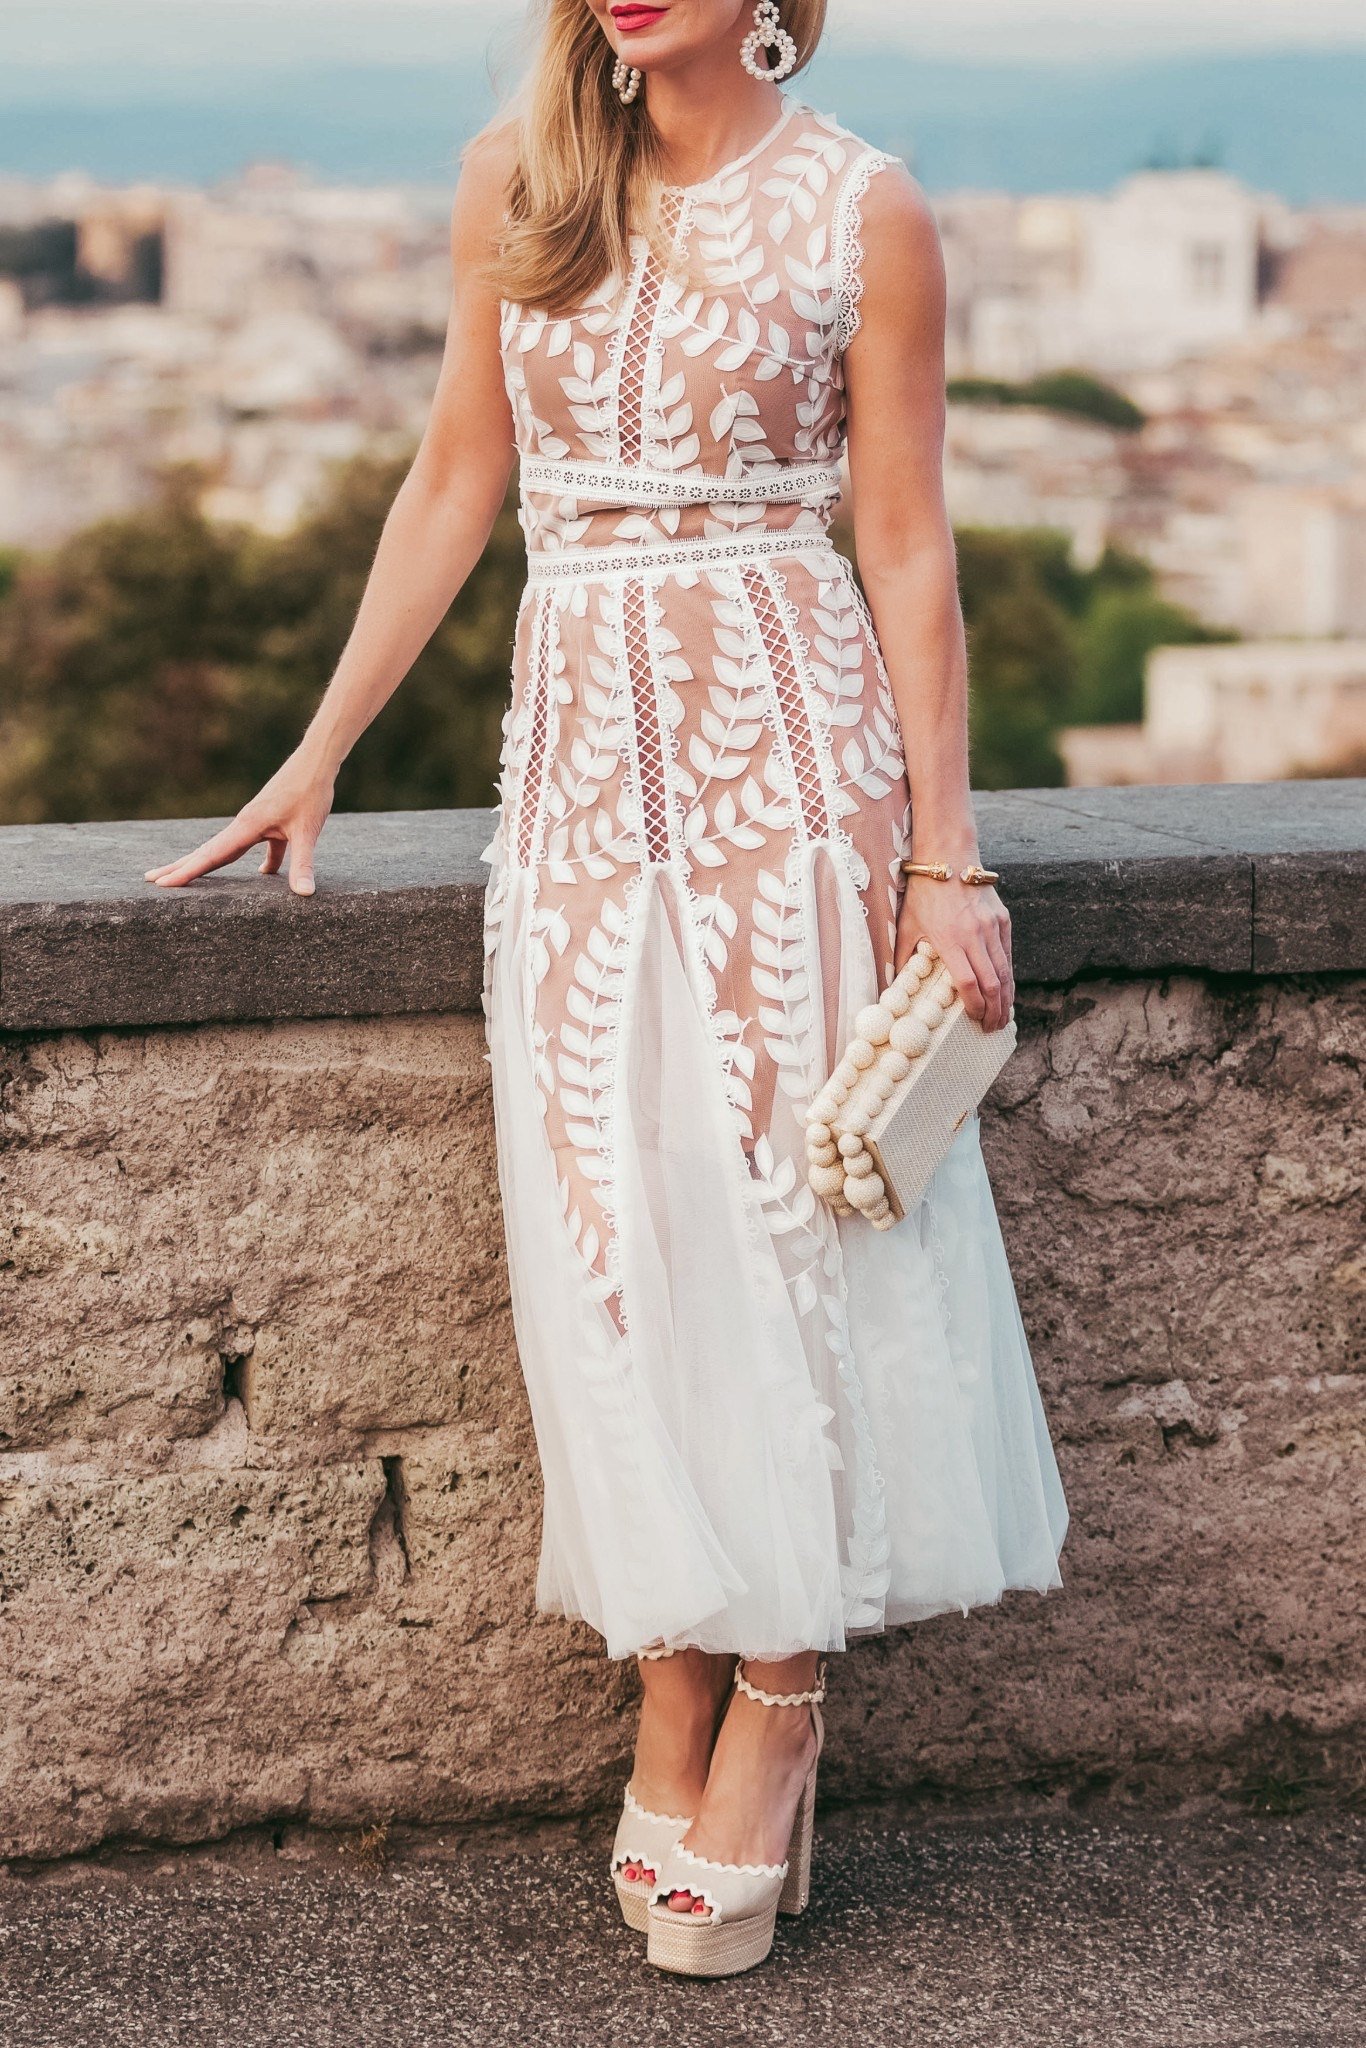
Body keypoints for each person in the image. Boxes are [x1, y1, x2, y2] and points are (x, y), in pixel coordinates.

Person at [145, 0, 1069, 1979]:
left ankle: (774, 1693)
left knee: (784, 1221)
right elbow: (451, 484)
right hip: (570, 776)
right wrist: (317, 750)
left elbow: (902, 537)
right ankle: (670, 1669)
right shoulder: (519, 182)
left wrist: (942, 848)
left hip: (788, 756)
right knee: (614, 1235)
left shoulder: (863, 209)